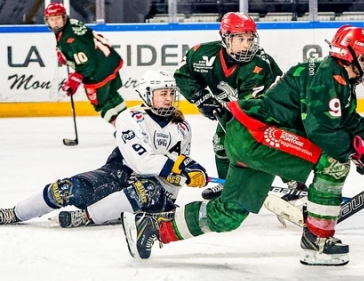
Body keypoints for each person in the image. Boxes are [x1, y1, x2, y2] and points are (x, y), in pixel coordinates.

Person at [121, 25, 364, 266]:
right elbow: (322, 132)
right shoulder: (328, 77)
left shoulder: (333, 79)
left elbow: (344, 124)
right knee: (333, 165)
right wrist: (354, 149)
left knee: (230, 213)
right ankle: (318, 242)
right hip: (258, 135)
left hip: (249, 137)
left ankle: (153, 229)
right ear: (352, 55)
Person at [0, 70, 208, 228]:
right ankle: (15, 213)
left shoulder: (182, 127)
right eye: (162, 93)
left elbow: (179, 166)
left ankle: (87, 216)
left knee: (146, 190)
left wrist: (188, 173)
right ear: (146, 94)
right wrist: (179, 168)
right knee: (63, 189)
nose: (169, 98)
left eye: (171, 93)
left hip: (154, 188)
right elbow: (142, 162)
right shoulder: (131, 118)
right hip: (119, 174)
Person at [174, 11, 283, 183]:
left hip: (269, 109)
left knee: (267, 144)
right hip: (235, 108)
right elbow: (182, 75)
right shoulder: (202, 54)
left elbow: (248, 107)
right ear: (226, 38)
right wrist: (201, 98)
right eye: (241, 39)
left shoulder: (258, 65)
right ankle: (228, 187)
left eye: (250, 39)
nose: (247, 45)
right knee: (221, 145)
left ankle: (295, 186)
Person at [44, 2, 127, 125]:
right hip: (109, 61)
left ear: (64, 17)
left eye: (58, 18)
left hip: (98, 70)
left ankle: (124, 130)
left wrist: (76, 78)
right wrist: (67, 56)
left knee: (101, 104)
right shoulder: (72, 24)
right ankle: (132, 125)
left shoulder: (69, 39)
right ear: (47, 21)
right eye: (52, 19)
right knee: (112, 96)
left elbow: (87, 64)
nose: (55, 22)